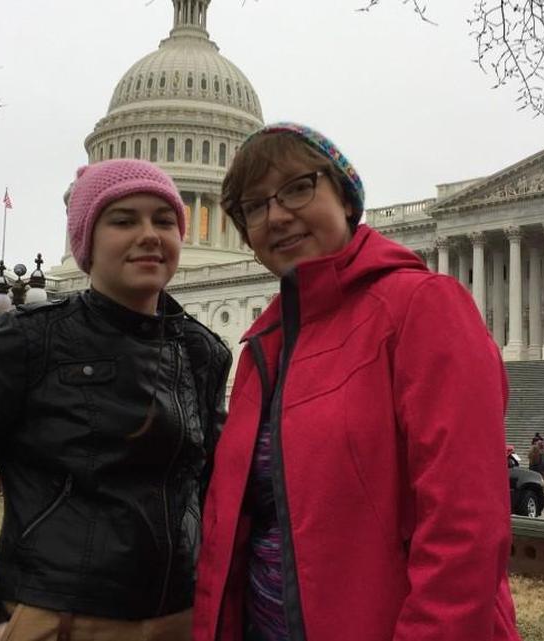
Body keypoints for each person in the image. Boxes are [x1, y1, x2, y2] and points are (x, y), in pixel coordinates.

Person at [193, 123, 519, 641]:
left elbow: (466, 528)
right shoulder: (264, 345)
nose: (276, 215)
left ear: (345, 199)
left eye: (298, 187)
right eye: (254, 207)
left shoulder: (422, 306)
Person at [0, 159, 231, 641]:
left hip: (182, 619)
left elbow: (218, 493)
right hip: (60, 619)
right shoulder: (30, 340)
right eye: (124, 220)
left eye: (164, 220)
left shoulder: (203, 352)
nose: (149, 234)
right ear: (86, 240)